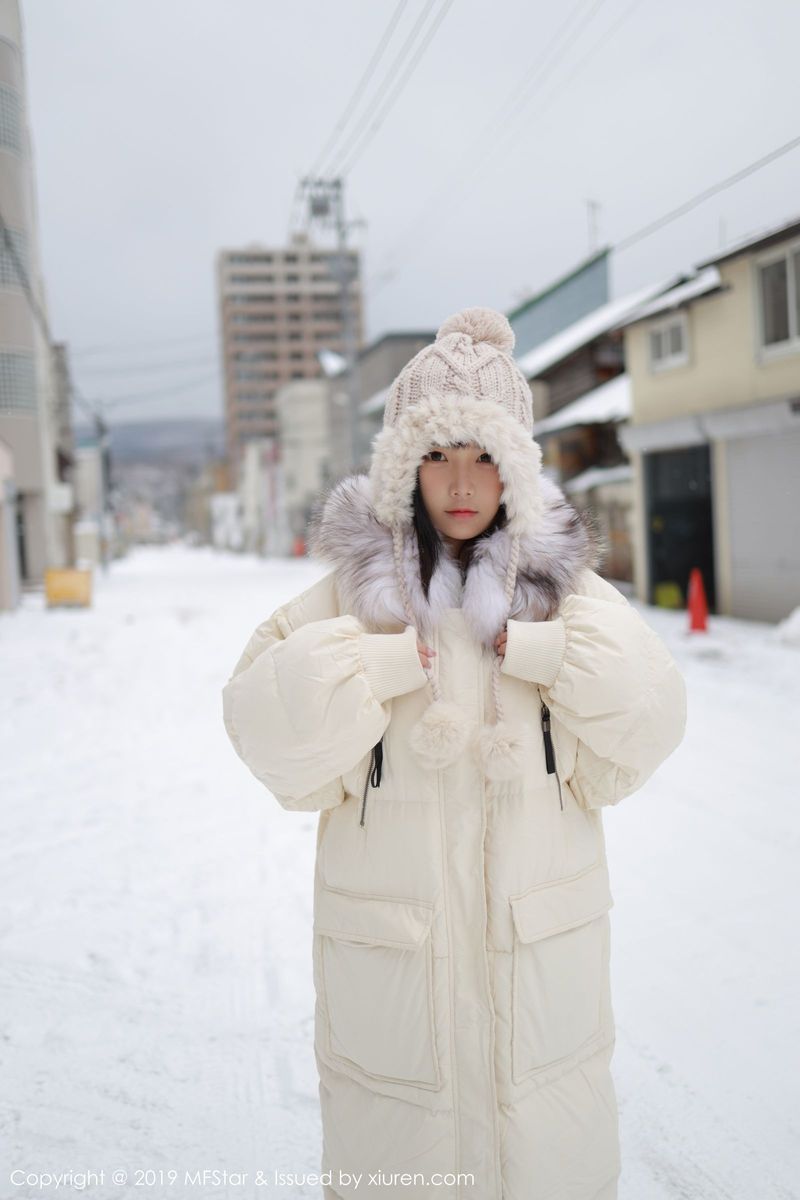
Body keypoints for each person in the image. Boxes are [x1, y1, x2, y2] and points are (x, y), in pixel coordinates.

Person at [222, 307, 687, 1200]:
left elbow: (652, 717)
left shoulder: (570, 600)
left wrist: (548, 652)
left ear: (517, 469)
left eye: (485, 456)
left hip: (542, 1008)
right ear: (403, 467)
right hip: (399, 1009)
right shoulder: (350, 600)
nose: (462, 482)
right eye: (438, 456)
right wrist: (380, 661)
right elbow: (263, 729)